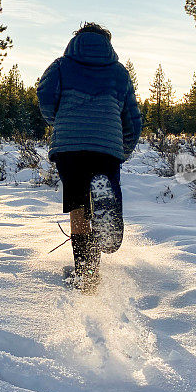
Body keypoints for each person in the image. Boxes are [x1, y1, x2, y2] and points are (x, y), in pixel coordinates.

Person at [37, 23, 142, 291]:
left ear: (77, 40)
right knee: (103, 188)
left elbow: (45, 96)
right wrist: (123, 149)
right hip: (106, 146)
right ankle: (106, 203)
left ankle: (86, 275)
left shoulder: (60, 66)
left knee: (78, 209)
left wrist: (57, 120)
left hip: (70, 146)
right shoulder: (119, 73)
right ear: (107, 43)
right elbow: (132, 119)